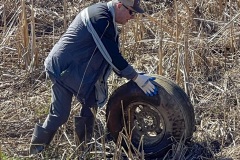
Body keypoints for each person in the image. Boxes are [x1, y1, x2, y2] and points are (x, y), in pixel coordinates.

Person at [29, 0, 158, 155]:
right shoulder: (100, 19)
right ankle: (36, 150)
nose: (132, 17)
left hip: (79, 71)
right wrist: (136, 78)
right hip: (63, 70)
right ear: (119, 5)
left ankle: (83, 150)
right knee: (60, 114)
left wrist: (133, 74)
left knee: (91, 106)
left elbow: (110, 55)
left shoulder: (107, 17)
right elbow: (111, 55)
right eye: (131, 12)